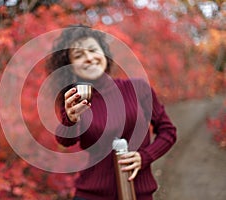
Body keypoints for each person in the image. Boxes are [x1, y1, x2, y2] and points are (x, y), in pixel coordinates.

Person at [46, 25, 177, 200]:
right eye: (78, 56)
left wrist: (144, 157)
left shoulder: (137, 88)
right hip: (91, 194)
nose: (89, 58)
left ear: (104, 54)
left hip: (138, 193)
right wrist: (70, 119)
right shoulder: (74, 100)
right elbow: (65, 141)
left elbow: (168, 131)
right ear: (71, 67)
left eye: (93, 50)